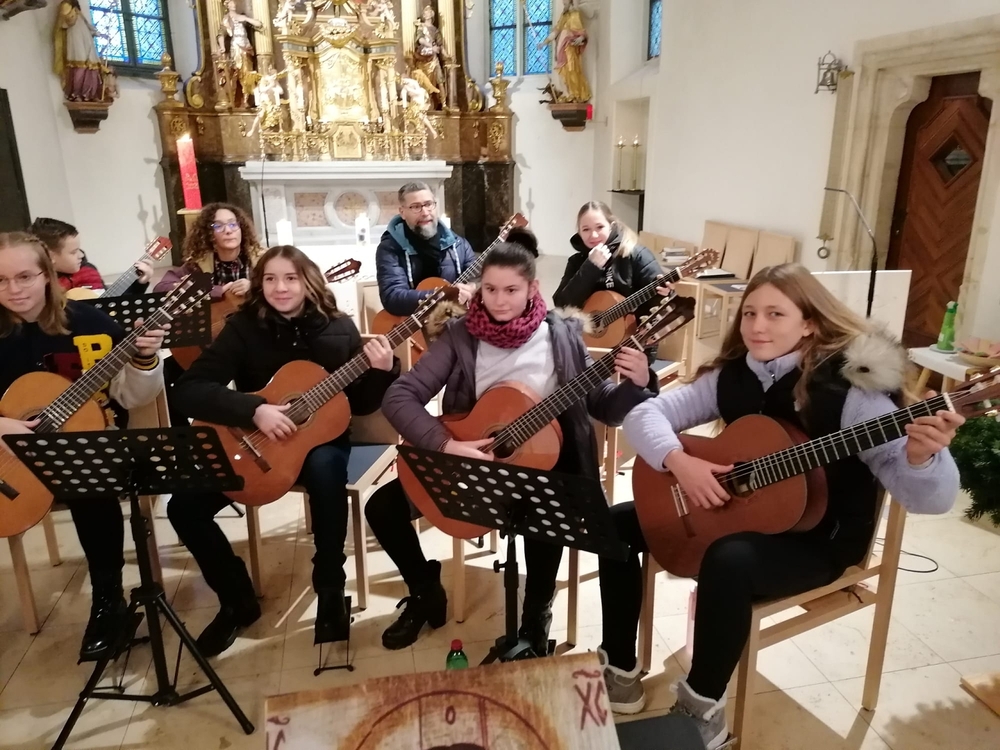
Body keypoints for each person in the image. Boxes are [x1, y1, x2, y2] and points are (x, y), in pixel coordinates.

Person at [597, 263, 963, 748]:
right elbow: (644, 414)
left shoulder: (851, 390)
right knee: (617, 525)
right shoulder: (734, 374)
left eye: (775, 314)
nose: (757, 326)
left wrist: (921, 458)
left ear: (809, 322)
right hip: (746, 516)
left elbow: (930, 500)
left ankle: (702, 711)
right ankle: (620, 671)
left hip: (822, 538)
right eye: (750, 313)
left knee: (727, 560)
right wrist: (679, 462)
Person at [364, 228, 657, 653]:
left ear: (533, 288)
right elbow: (399, 396)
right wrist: (445, 445)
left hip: (546, 463)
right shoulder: (461, 334)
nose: (499, 301)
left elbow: (603, 405)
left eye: (511, 290)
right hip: (473, 461)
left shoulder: (562, 334)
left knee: (547, 514)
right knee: (382, 507)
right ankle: (426, 590)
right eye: (490, 289)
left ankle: (536, 614)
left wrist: (638, 383)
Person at [167, 245, 398, 656]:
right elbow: (189, 390)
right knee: (182, 508)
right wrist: (254, 410)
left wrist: (383, 372)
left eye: (290, 278)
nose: (280, 288)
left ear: (308, 281)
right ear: (260, 284)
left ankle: (330, 588)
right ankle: (236, 598)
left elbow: (360, 405)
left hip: (320, 441)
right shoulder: (243, 328)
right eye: (270, 279)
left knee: (326, 471)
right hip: (254, 443)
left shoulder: (339, 327)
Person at [0, 231, 165, 661]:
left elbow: (132, 396)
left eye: (24, 276)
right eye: (0, 280)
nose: (13, 289)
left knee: (86, 478)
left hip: (88, 448)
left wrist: (144, 359)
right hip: (10, 457)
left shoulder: (91, 325)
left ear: (47, 274)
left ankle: (108, 596)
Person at [375, 182, 477, 316]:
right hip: (413, 325)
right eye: (416, 207)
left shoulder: (458, 244)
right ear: (402, 212)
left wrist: (473, 287)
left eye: (429, 204)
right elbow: (392, 297)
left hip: (454, 323)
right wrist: (443, 295)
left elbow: (478, 278)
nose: (425, 212)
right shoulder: (390, 248)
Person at [154, 202, 261, 300]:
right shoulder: (200, 263)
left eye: (233, 224)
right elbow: (161, 287)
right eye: (218, 226)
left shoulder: (261, 258)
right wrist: (216, 290)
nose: (228, 231)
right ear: (209, 234)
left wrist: (253, 287)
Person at [29, 217, 152, 296]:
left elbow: (111, 305)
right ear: (51, 257)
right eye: (73, 252)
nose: (81, 255)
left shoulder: (89, 271)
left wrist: (139, 284)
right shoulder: (41, 286)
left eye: (79, 249)